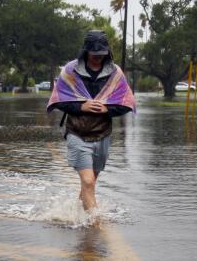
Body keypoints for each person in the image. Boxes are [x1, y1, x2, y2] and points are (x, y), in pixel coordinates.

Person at [47, 30, 136, 213]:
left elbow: (127, 103)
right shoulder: (70, 71)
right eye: (94, 54)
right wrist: (82, 107)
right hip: (77, 134)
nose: (98, 58)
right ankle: (95, 224)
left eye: (101, 54)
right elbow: (59, 100)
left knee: (90, 183)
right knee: (87, 181)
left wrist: (107, 109)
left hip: (102, 135)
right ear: (86, 51)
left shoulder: (115, 73)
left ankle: (77, 217)